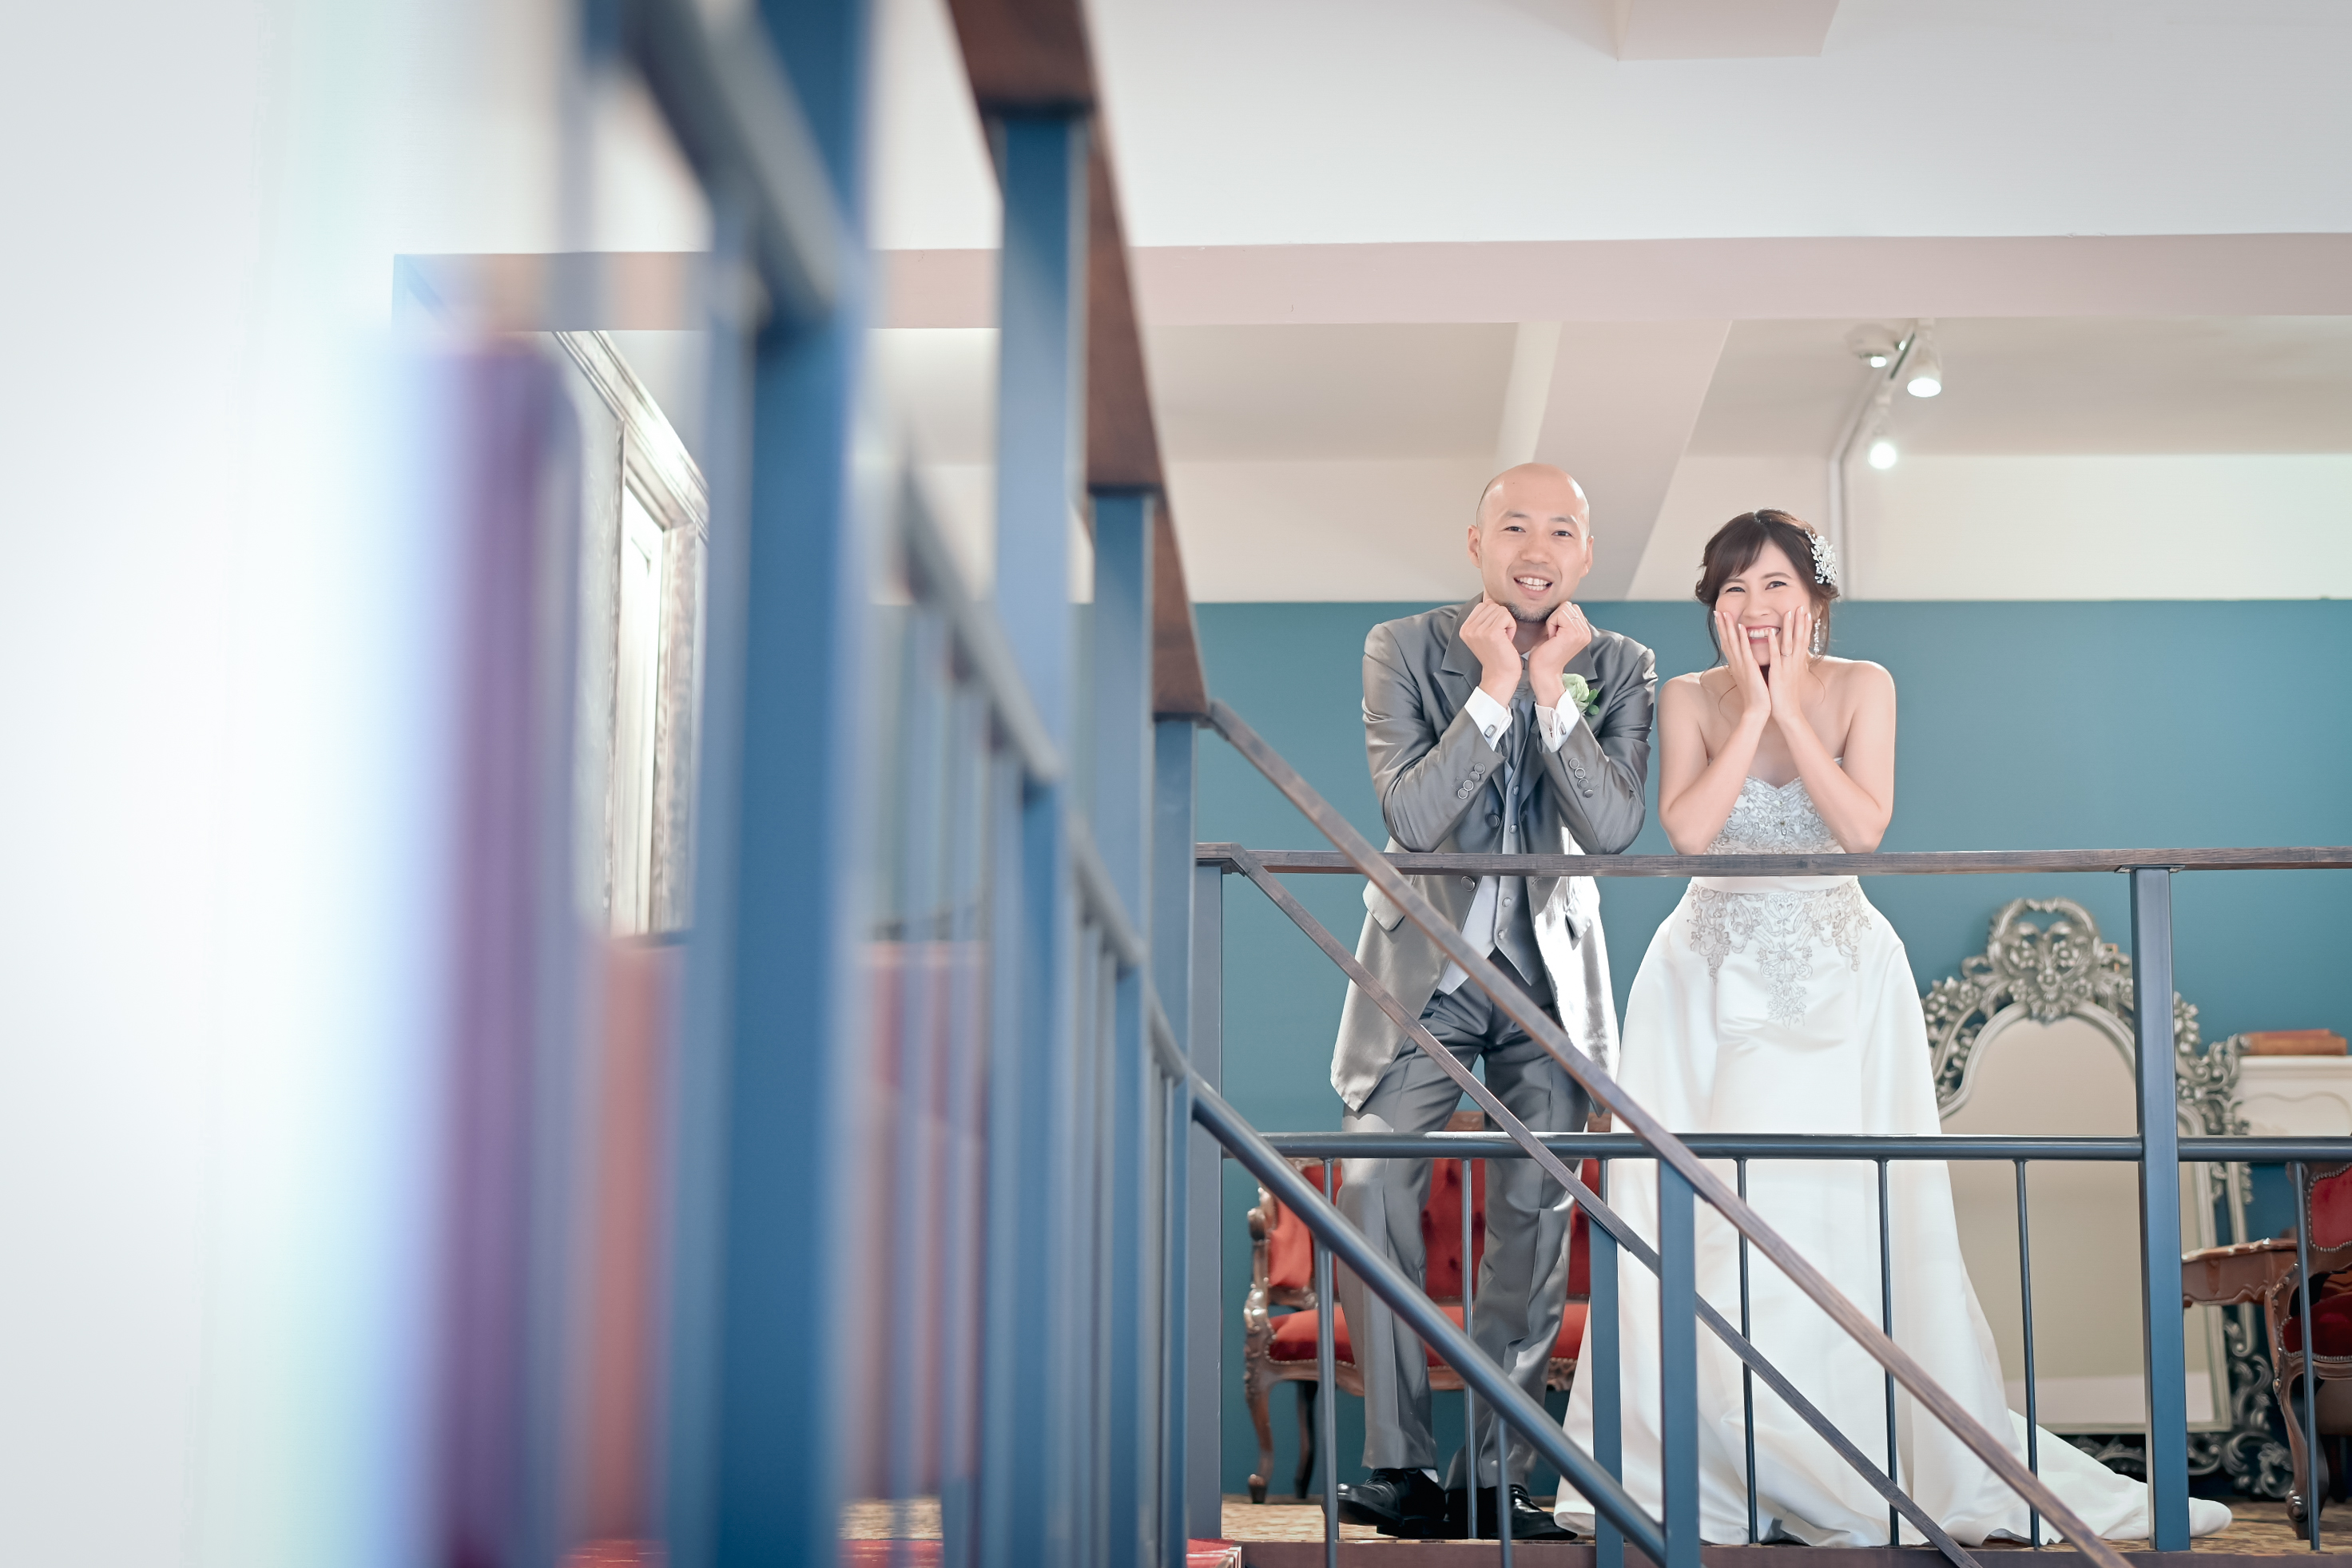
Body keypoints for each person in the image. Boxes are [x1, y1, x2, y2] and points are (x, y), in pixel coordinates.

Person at [1552, 510, 2230, 1545]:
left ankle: (1847, 1458)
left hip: (1837, 977)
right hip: (1704, 978)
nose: (1754, 607)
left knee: (1836, 1214)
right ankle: (1707, 1468)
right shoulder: (1687, 697)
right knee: (1695, 1214)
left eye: (1775, 586)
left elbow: (1863, 829)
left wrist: (1789, 710)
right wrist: (1751, 709)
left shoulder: (1865, 686)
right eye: (1733, 590)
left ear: (1815, 599)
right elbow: (1688, 832)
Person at [1329, 464, 1658, 1542]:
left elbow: (1612, 831)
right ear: (1477, 542)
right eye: (1515, 525)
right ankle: (1400, 1467)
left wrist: (1553, 692)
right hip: (1421, 975)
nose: (1537, 547)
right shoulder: (1401, 647)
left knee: (1536, 1213)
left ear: (1585, 554)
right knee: (1369, 1182)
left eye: (1561, 530)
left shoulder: (1619, 666)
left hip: (1548, 980)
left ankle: (1495, 1477)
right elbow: (1414, 819)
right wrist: (1493, 688)